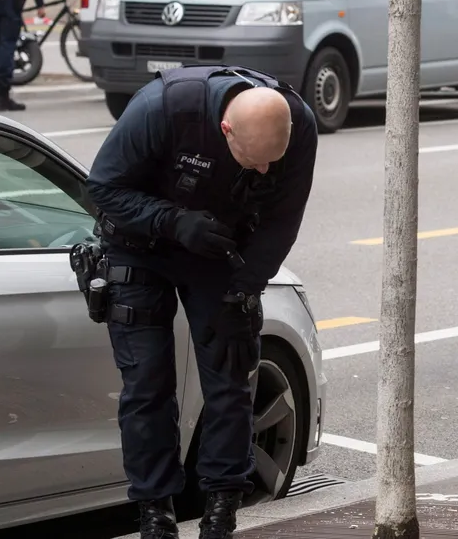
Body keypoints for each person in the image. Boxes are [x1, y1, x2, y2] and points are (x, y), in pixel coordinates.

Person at [83, 65, 318, 539]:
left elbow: (280, 222)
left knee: (231, 378)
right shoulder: (162, 108)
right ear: (225, 128)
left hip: (218, 249)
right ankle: (156, 514)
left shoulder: (297, 124)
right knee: (147, 384)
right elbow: (103, 190)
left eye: (273, 160)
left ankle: (221, 514)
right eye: (253, 160)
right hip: (141, 246)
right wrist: (171, 221)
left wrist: (246, 288)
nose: (265, 170)